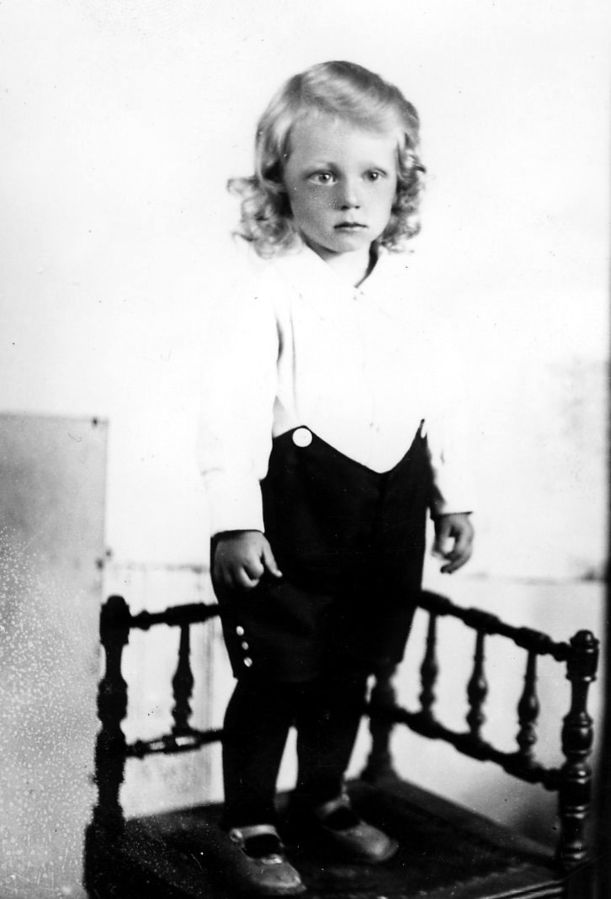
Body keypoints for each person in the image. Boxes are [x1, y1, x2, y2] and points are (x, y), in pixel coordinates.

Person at [198, 60, 474, 895]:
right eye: (323, 174)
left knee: (351, 664)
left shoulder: (410, 295)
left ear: (400, 183)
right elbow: (230, 413)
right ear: (279, 181)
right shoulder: (269, 295)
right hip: (298, 509)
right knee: (279, 671)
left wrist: (450, 499)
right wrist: (234, 520)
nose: (350, 197)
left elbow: (437, 405)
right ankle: (248, 820)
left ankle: (323, 795)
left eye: (372, 175)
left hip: (390, 508)